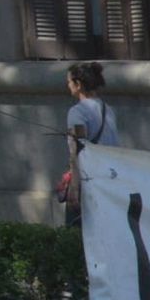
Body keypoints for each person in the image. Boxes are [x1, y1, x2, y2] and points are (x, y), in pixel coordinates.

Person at [63, 61, 119, 227]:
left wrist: (74, 186)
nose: (68, 86)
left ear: (78, 84)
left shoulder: (77, 112)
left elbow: (77, 149)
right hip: (109, 178)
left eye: (69, 82)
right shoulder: (107, 109)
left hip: (89, 180)